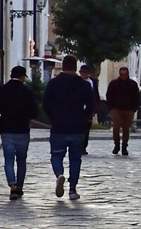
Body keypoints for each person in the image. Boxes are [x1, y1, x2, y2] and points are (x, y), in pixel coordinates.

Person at [43, 55, 98, 196]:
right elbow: (91, 105)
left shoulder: (53, 83)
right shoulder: (84, 85)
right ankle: (72, 188)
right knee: (75, 159)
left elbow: (46, 104)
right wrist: (84, 118)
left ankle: (59, 174)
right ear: (75, 67)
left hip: (58, 127)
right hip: (77, 127)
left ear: (63, 66)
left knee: (56, 155)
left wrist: (53, 117)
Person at [0, 64, 38, 199]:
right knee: (21, 160)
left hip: (7, 130)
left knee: (9, 160)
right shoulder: (27, 91)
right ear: (22, 77)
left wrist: (0, 127)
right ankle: (20, 186)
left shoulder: (1, 90)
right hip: (22, 131)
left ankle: (12, 186)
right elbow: (34, 112)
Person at [105, 66, 141, 153]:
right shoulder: (114, 84)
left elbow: (137, 97)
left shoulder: (132, 84)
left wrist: (134, 109)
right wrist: (111, 108)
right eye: (122, 74)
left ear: (127, 74)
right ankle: (116, 145)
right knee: (116, 128)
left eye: (125, 75)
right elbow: (109, 95)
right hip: (116, 109)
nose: (123, 76)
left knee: (126, 129)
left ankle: (124, 146)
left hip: (129, 109)